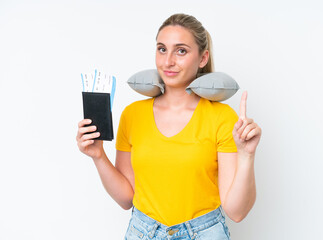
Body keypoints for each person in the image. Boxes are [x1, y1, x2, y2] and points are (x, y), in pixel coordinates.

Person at [76, 13, 262, 240]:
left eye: (181, 50)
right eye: (162, 49)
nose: (168, 61)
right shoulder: (133, 114)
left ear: (203, 58)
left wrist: (246, 155)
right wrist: (98, 155)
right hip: (142, 232)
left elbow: (237, 211)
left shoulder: (222, 117)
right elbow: (126, 198)